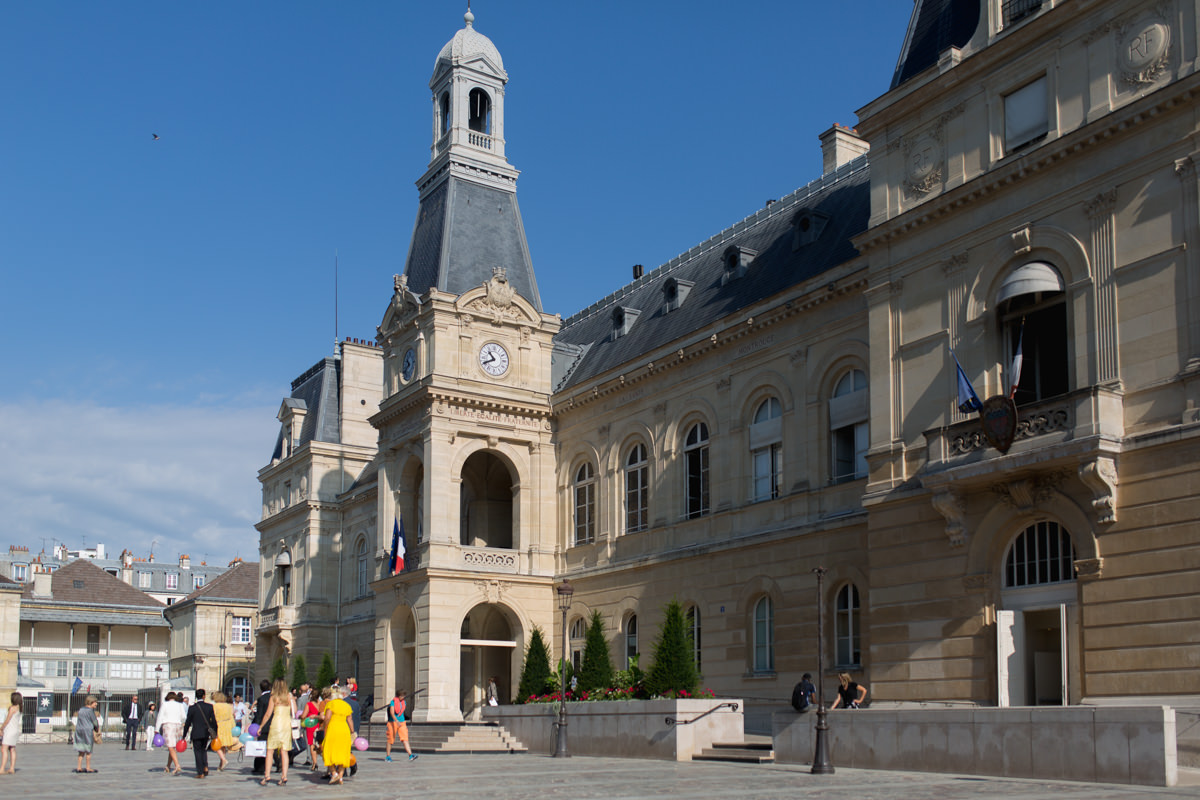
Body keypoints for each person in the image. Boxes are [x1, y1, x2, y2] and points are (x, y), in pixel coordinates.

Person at [258, 679, 295, 786]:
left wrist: (261, 726)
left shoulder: (273, 697)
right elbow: (295, 711)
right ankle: (284, 776)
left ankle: (267, 775)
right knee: (284, 751)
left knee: (270, 751)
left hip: (276, 724)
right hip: (286, 725)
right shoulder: (289, 697)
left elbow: (268, 714)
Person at [320, 686, 354, 785]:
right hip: (344, 730)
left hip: (333, 729)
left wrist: (323, 727)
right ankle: (341, 777)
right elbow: (350, 720)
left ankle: (334, 773)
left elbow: (327, 718)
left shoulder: (331, 704)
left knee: (328, 751)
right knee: (343, 753)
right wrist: (352, 731)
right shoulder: (346, 705)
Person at [181, 687, 217, 778]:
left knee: (197, 752)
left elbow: (188, 722)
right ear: (204, 696)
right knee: (203, 750)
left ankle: (200, 772)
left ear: (196, 696)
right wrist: (215, 732)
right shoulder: (209, 707)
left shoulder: (192, 708)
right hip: (206, 733)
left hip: (196, 732)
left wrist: (184, 735)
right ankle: (205, 767)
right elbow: (213, 721)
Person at [157, 691, 187, 775]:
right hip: (177, 725)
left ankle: (177, 765)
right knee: (173, 747)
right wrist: (181, 722)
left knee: (170, 746)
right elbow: (184, 716)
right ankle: (168, 766)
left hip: (168, 725)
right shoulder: (180, 705)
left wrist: (157, 729)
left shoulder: (165, 704)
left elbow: (160, 716)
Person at [384, 689, 416, 763]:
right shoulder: (393, 702)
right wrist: (396, 720)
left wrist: (400, 721)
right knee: (390, 739)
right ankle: (388, 756)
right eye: (402, 695)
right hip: (393, 722)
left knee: (405, 738)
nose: (403, 697)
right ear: (399, 696)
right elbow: (392, 713)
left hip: (402, 722)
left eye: (404, 695)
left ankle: (410, 755)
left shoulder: (403, 702)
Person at [74, 695, 101, 773]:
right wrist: (97, 728)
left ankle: (79, 767)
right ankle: (88, 767)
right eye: (95, 702)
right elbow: (94, 721)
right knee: (88, 750)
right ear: (91, 702)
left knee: (81, 750)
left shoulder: (81, 710)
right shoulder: (90, 711)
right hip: (87, 731)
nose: (96, 704)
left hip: (79, 730)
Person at [251, 679, 272, 775]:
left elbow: (259, 715)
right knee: (272, 747)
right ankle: (278, 764)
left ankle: (259, 767)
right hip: (273, 725)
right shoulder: (273, 697)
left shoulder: (261, 699)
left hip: (263, 726)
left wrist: (256, 725)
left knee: (261, 747)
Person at [211, 691, 235, 770]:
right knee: (223, 745)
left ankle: (223, 759)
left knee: (216, 744)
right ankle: (221, 764)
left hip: (219, 725)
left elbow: (212, 717)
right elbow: (231, 716)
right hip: (227, 725)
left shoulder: (215, 706)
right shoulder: (228, 706)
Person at [298, 686, 321, 768]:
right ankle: (316, 760)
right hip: (318, 725)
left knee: (311, 744)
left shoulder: (309, 704)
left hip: (311, 725)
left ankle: (314, 763)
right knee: (318, 743)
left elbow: (304, 715)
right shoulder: (320, 704)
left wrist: (300, 716)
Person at [1, 692, 22, 774]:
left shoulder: (12, 708)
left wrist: (1, 728)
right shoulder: (19, 708)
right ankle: (12, 768)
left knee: (4, 749)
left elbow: (7, 719)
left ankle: (2, 769)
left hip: (9, 730)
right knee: (12, 749)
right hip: (15, 730)